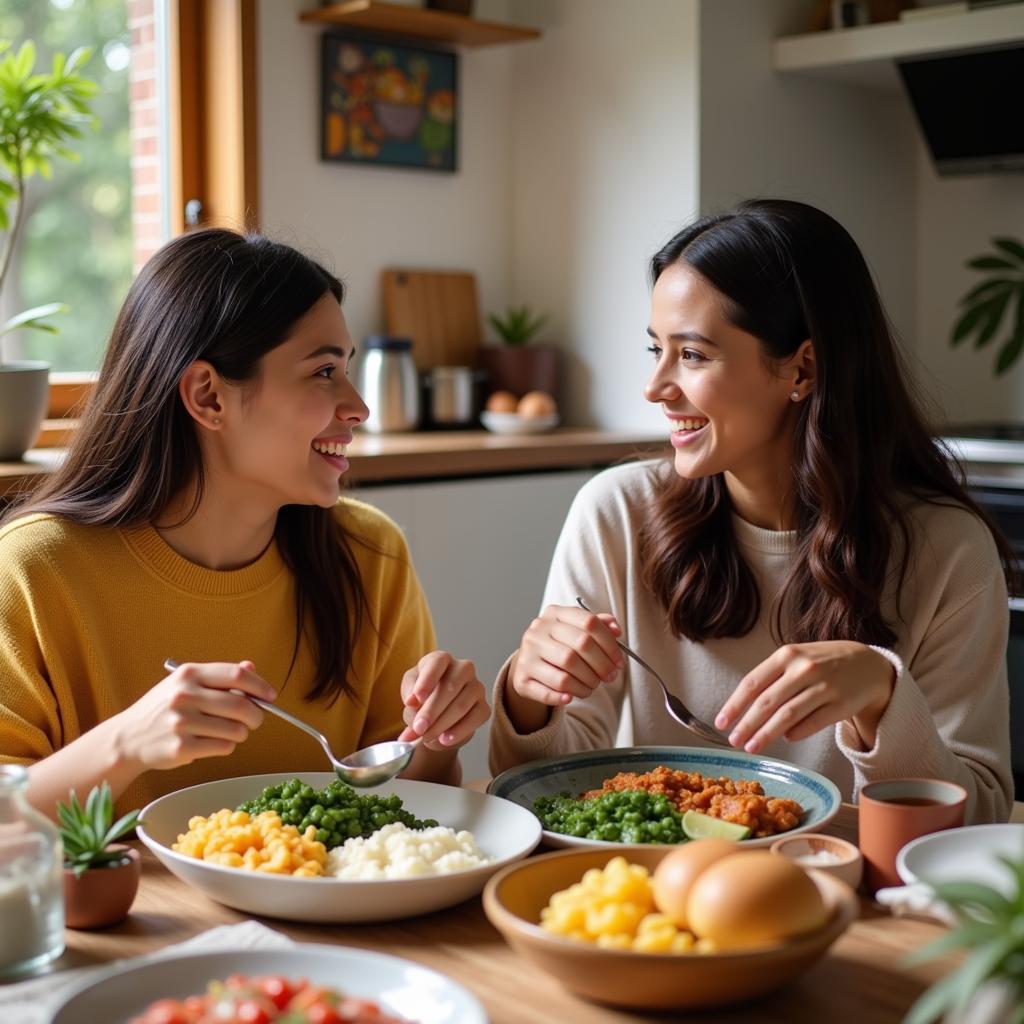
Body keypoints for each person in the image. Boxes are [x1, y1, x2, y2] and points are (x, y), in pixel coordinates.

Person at [489, 198, 1014, 824]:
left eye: (692, 355)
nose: (655, 388)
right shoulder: (615, 511)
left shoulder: (949, 549)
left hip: (853, 898)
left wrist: (882, 699)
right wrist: (530, 692)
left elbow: (980, 814)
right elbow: (545, 784)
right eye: (655, 348)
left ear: (803, 368)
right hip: (655, 892)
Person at [0, 228, 489, 816]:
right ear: (208, 397)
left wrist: (438, 735)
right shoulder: (31, 572)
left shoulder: (370, 553)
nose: (359, 406)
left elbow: (411, 802)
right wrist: (125, 743)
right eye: (324, 372)